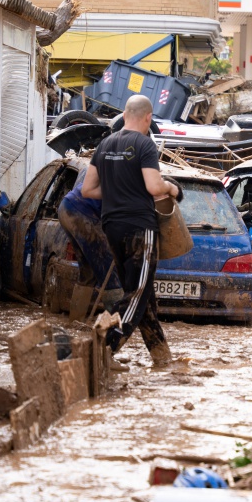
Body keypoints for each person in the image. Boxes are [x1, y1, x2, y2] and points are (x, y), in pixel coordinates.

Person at [81, 94, 179, 367]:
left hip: (112, 226)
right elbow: (155, 187)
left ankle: (162, 358)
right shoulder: (144, 144)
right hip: (140, 227)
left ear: (125, 115)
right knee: (136, 295)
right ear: (148, 118)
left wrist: (115, 192)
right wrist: (172, 188)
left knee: (142, 294)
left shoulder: (105, 144)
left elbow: (88, 190)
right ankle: (103, 352)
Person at [58, 169, 123, 301]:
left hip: (67, 206)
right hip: (81, 211)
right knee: (111, 277)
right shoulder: (133, 188)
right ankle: (116, 320)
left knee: (88, 274)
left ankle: (76, 320)